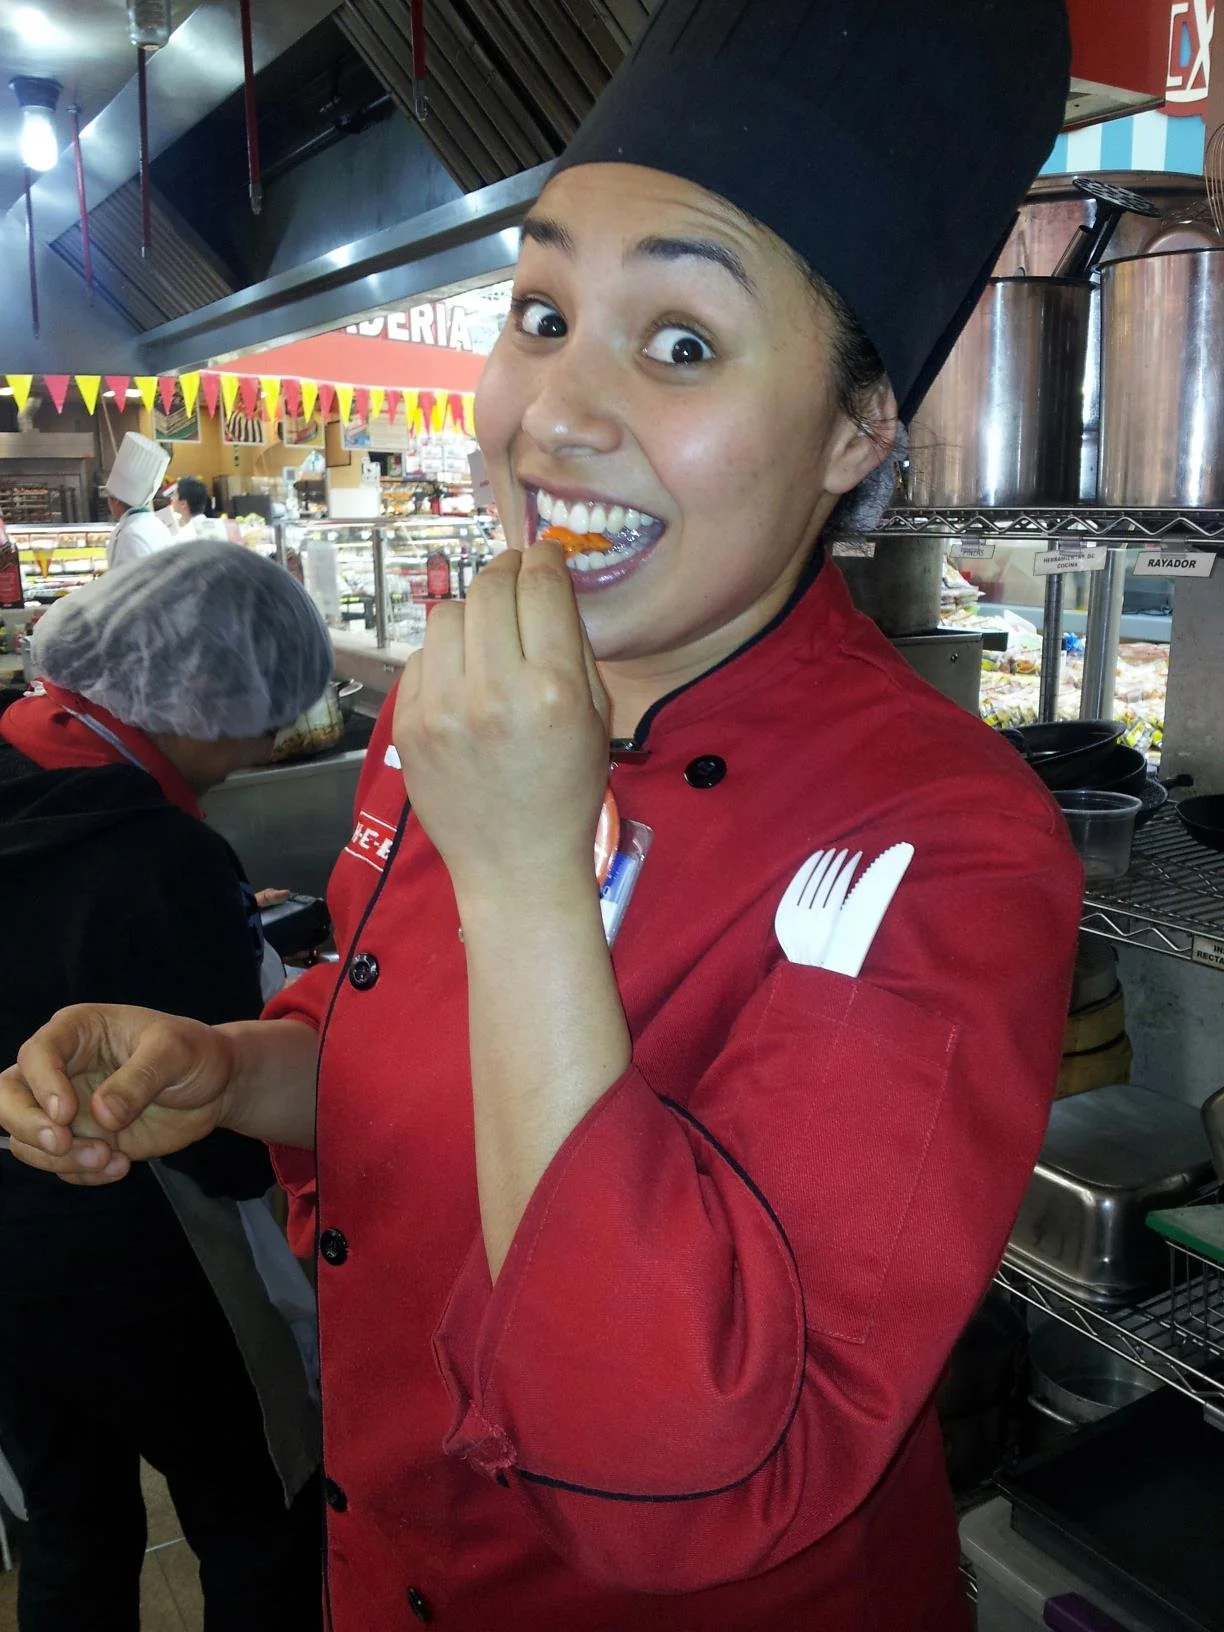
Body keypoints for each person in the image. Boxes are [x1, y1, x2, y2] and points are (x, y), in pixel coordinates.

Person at [0, 3, 1084, 1628]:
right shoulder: (478, 690)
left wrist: (521, 867)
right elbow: (397, 1041)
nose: (552, 414)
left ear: (855, 432)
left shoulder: (942, 844)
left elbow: (686, 1462)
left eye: (678, 342)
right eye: (541, 308)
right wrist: (236, 1068)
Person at [0, 543, 332, 1632]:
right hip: (148, 1256)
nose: (272, 739)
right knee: (255, 1515)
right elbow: (225, 1138)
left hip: (9, 1257)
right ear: (204, 698)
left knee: (67, 1527)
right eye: (264, 714)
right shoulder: (160, 858)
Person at [103, 432, 172, 567]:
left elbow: (131, 582)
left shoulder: (130, 534)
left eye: (109, 497)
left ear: (116, 500)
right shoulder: (157, 525)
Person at [172, 475, 233, 544]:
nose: (172, 498)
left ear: (183, 504)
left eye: (174, 494)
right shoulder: (223, 529)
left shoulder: (182, 539)